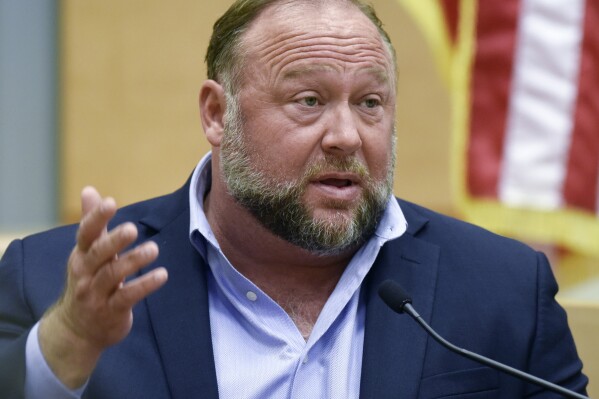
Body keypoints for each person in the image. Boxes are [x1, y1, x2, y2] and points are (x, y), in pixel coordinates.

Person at [0, 0, 589, 397]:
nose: (346, 136)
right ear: (216, 113)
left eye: (370, 103)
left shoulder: (503, 289)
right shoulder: (48, 279)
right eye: (308, 100)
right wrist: (70, 342)